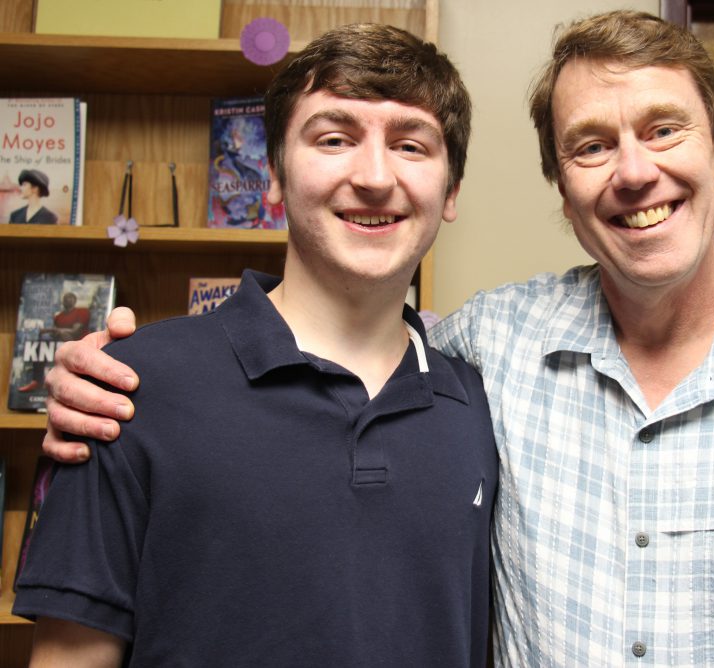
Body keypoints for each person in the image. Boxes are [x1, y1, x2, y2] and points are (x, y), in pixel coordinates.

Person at [41, 10, 714, 667]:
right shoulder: (481, 355)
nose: (633, 172)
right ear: (560, 182)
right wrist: (105, 374)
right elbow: (328, 347)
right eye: (592, 144)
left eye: (664, 130)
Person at [16, 23, 496, 667]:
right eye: (334, 138)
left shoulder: (479, 406)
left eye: (411, 146)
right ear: (272, 175)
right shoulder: (126, 390)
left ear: (452, 190)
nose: (376, 176)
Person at [17, 291, 92, 394]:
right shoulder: (59, 316)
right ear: (62, 301)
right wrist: (49, 332)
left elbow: (75, 332)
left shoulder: (82, 312)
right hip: (62, 341)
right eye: (65, 298)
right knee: (42, 342)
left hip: (80, 343)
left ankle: (70, 383)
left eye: (70, 297)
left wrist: (53, 330)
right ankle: (37, 381)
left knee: (60, 338)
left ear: (75, 300)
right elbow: (57, 332)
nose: (67, 299)